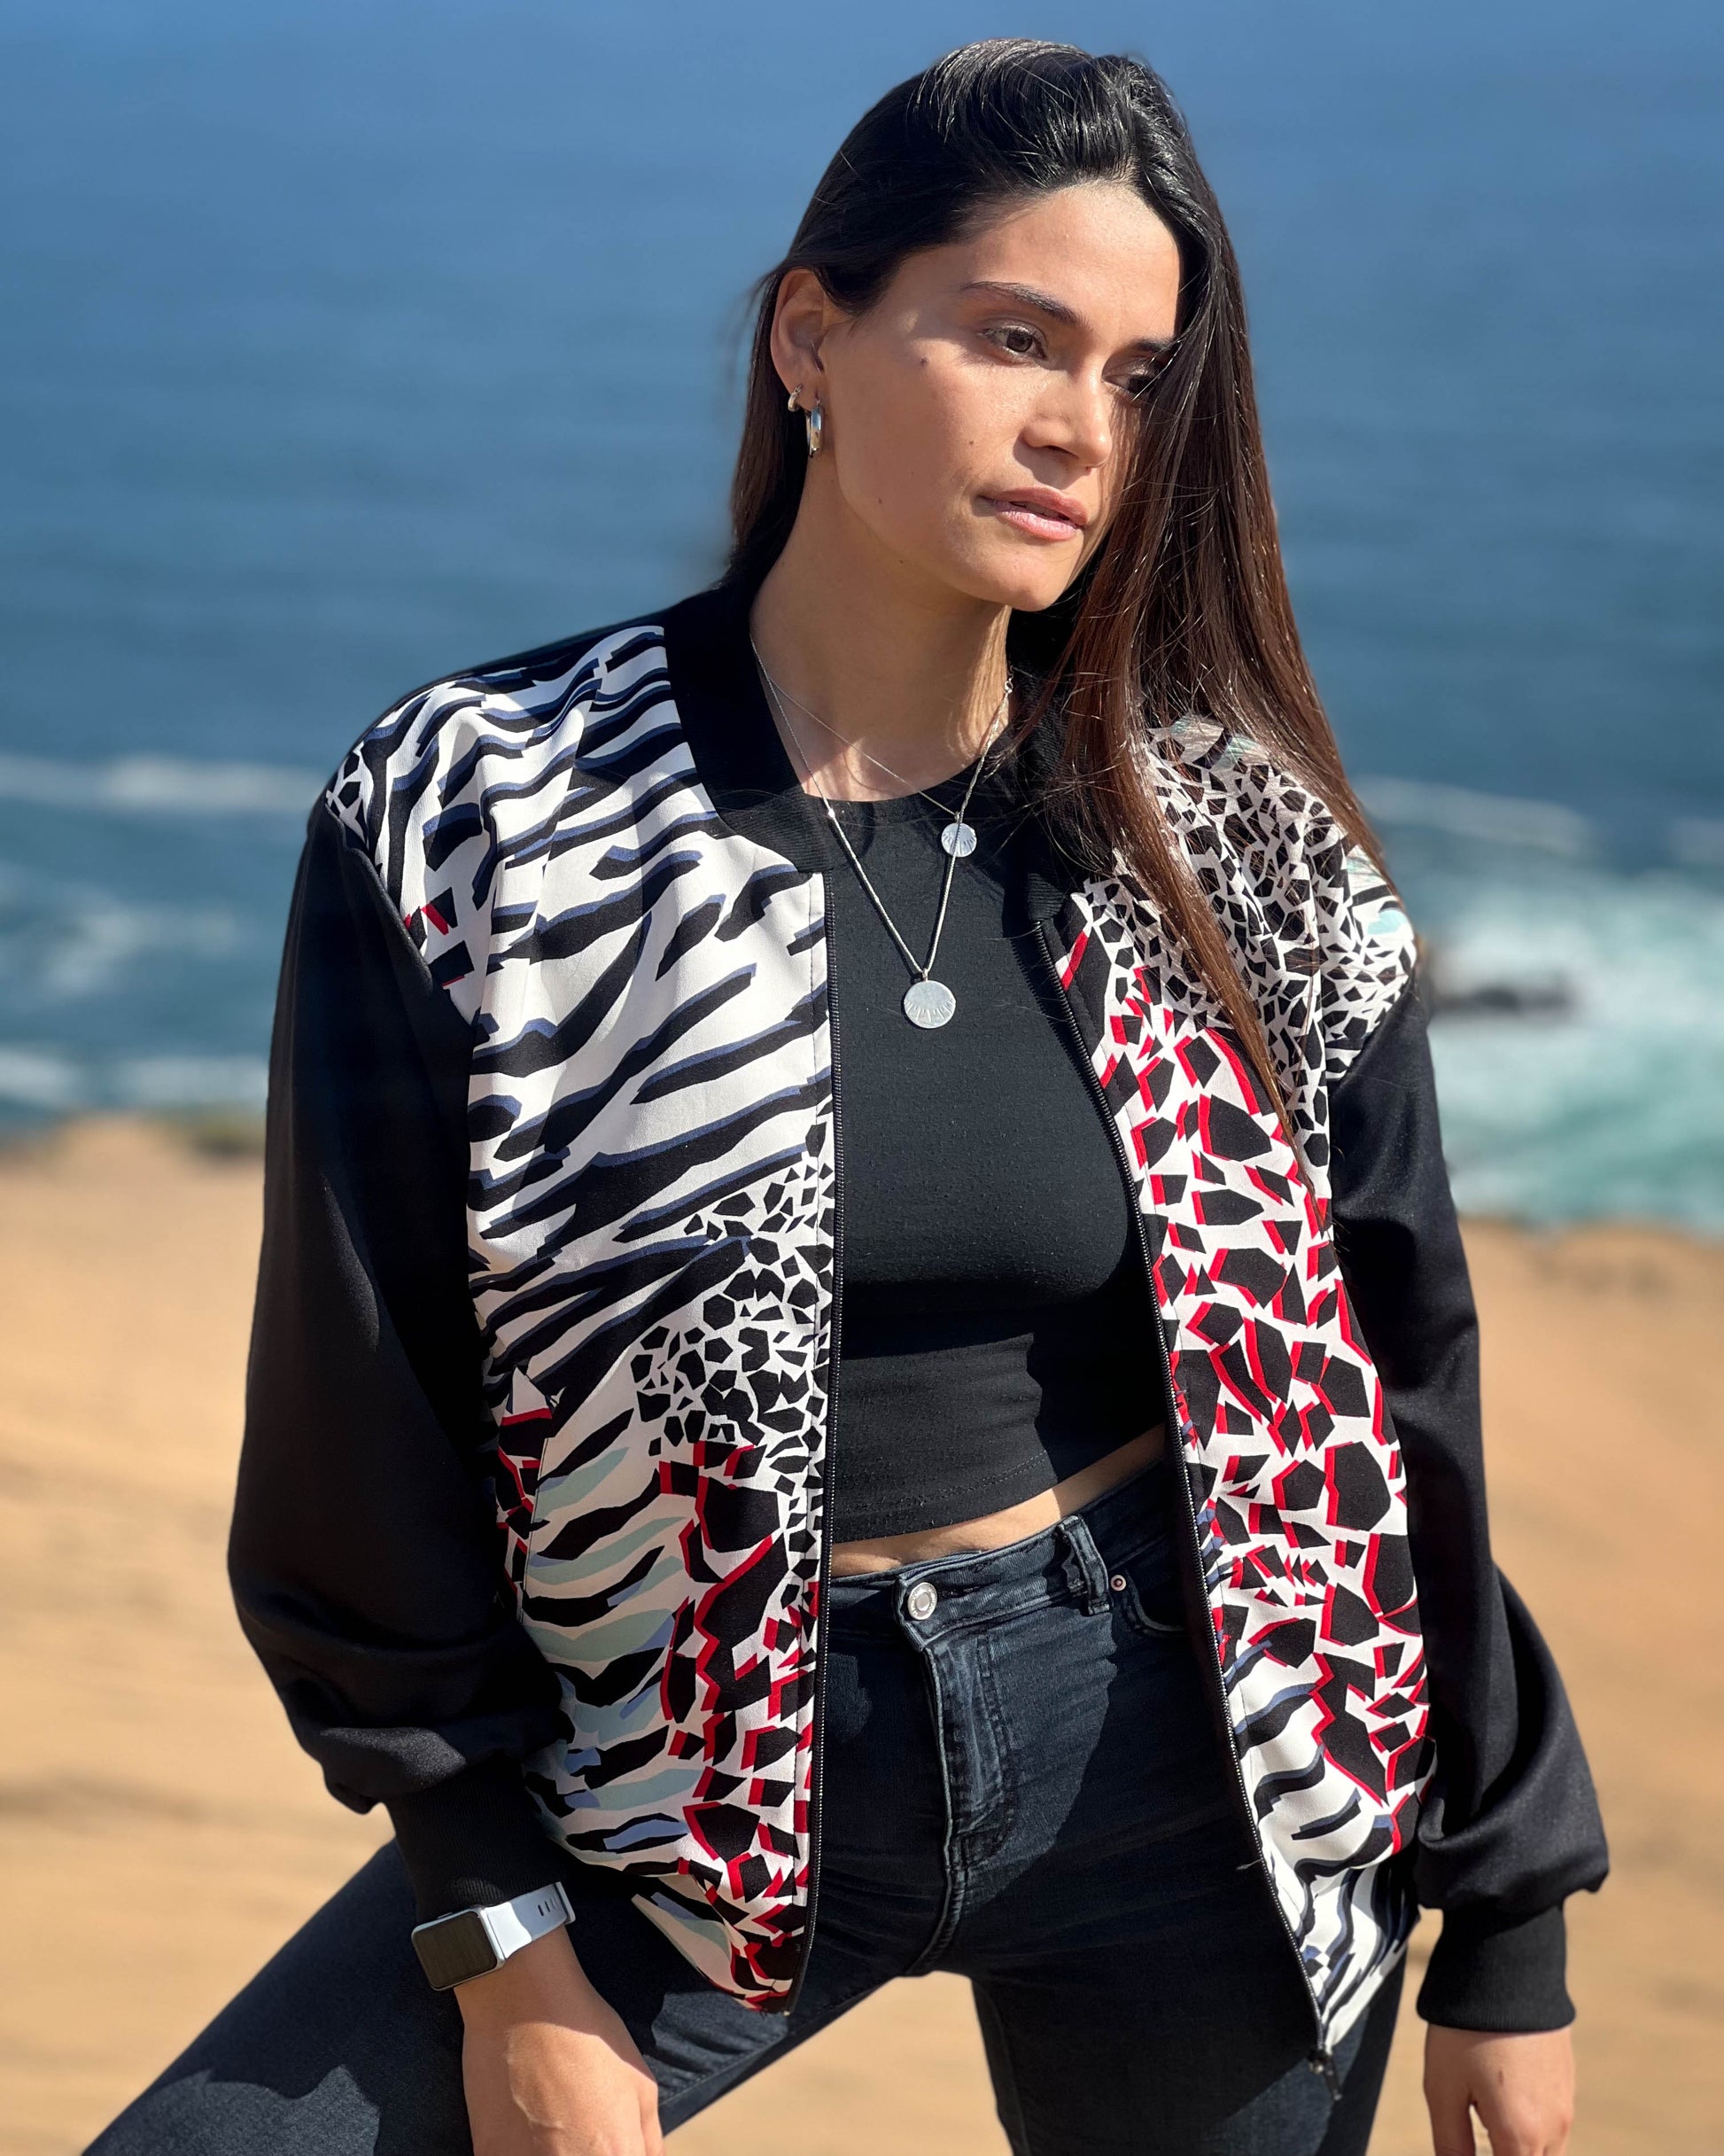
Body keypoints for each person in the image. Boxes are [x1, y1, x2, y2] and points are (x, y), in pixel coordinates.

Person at [89, 39, 1606, 2156]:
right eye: (1014, 337)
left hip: (1192, 1767)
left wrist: (1507, 1908)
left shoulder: (1237, 846)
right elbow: (369, 1402)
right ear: (811, 333)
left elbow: (1391, 1380)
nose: (1081, 426)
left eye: (1138, 374)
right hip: (674, 1773)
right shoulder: (483, 809)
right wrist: (502, 1935)